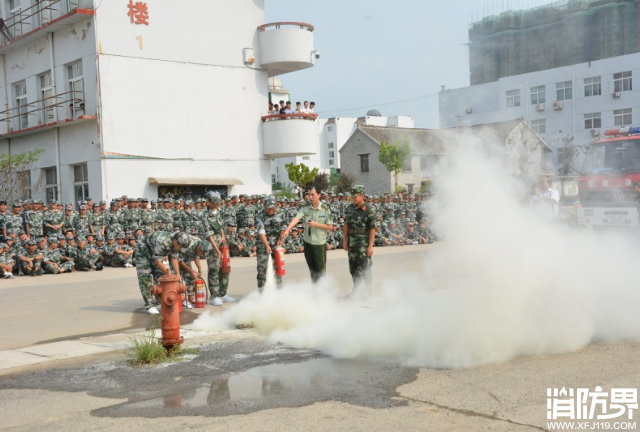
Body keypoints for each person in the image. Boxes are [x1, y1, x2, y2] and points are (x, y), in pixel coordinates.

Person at [282, 184, 333, 283]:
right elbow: (296, 218)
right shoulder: (305, 208)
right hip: (308, 243)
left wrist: (316, 224)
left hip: (319, 244)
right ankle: (315, 291)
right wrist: (287, 229)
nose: (310, 197)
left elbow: (330, 227)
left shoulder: (325, 209)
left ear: (319, 195)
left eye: (313, 194)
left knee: (320, 270)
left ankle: (324, 292)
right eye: (309, 195)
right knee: (312, 270)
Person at [134, 231, 189, 315]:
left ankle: (159, 301)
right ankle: (150, 305)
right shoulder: (162, 241)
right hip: (143, 252)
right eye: (180, 247)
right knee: (146, 277)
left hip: (155, 253)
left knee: (161, 276)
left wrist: (177, 274)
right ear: (175, 242)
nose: (181, 249)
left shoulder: (176, 243)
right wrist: (169, 274)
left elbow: (174, 258)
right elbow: (157, 261)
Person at [343, 185, 378, 297]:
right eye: (352, 196)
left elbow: (372, 228)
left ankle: (367, 291)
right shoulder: (350, 208)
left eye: (355, 196)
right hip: (352, 242)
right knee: (353, 268)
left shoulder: (369, 209)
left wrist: (370, 246)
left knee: (365, 267)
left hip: (363, 243)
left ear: (362, 195)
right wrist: (344, 240)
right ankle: (356, 291)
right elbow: (346, 225)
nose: (353, 198)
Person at [255, 197, 284, 291]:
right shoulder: (260, 216)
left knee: (278, 268)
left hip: (276, 245)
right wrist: (267, 245)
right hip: (263, 245)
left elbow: (283, 228)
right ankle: (262, 293)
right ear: (264, 206)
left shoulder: (280, 214)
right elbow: (261, 232)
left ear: (276, 206)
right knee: (262, 270)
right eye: (268, 208)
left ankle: (278, 291)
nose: (271, 210)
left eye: (273, 208)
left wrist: (281, 239)